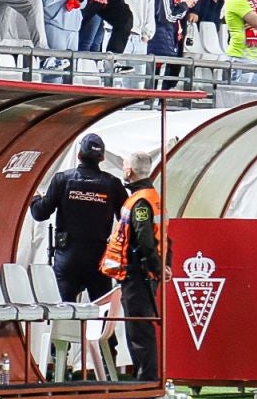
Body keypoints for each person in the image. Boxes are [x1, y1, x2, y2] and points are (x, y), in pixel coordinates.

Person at [28, 133, 128, 339]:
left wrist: (34, 196)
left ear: (79, 155)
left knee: (63, 314)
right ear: (101, 158)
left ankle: (58, 360)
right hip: (99, 258)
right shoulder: (112, 184)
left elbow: (40, 213)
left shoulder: (63, 180)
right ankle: (108, 359)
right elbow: (126, 220)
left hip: (68, 257)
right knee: (102, 313)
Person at [99, 160, 162, 386]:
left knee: (139, 329)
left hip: (138, 273)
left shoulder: (141, 201)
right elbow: (164, 236)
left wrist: (155, 267)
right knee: (140, 327)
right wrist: (163, 266)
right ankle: (146, 379)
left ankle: (146, 381)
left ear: (129, 170)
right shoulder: (151, 197)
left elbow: (144, 239)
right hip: (143, 273)